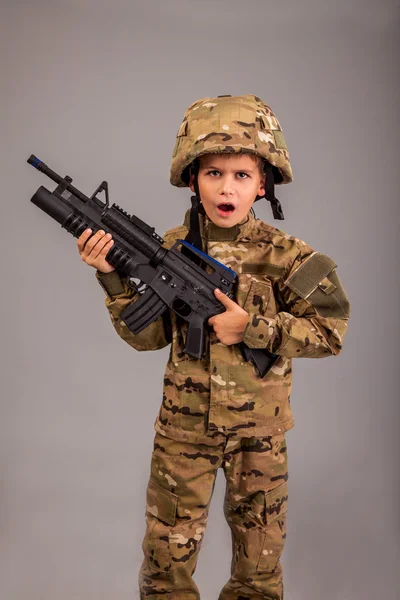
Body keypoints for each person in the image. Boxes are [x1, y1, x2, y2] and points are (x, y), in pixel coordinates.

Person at [77, 94, 351, 600]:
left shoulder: (289, 257)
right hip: (183, 432)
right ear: (191, 179)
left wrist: (254, 329)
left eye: (242, 175)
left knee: (258, 574)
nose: (227, 187)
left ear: (263, 182)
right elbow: (148, 337)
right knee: (165, 570)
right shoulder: (170, 247)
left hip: (259, 438)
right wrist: (114, 279)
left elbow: (331, 331)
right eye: (213, 173)